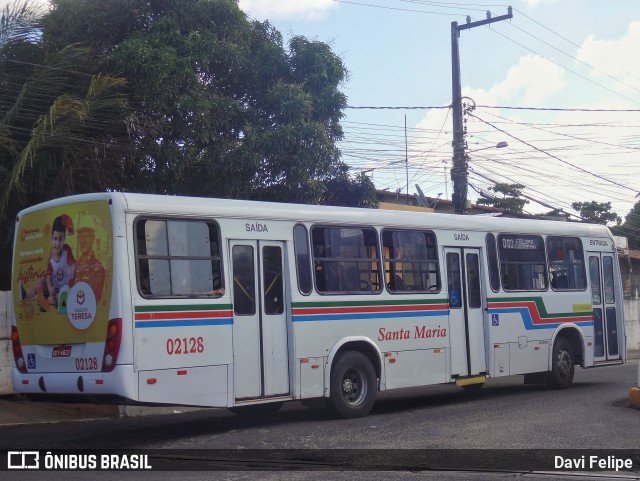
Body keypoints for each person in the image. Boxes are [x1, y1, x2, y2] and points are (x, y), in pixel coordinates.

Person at [22, 214, 76, 309]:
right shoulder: (51, 254)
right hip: (55, 286)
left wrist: (72, 279)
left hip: (66, 287)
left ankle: (48, 301)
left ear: (64, 239)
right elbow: (48, 275)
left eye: (60, 239)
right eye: (55, 239)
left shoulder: (66, 250)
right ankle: (25, 295)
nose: (57, 243)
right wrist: (50, 287)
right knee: (41, 281)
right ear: (51, 239)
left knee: (60, 296)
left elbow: (73, 265)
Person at [75, 214, 106, 303]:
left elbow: (85, 294)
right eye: (80, 237)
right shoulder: (74, 265)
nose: (83, 241)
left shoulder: (98, 268)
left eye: (86, 236)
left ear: (93, 238)